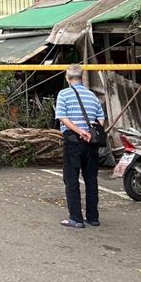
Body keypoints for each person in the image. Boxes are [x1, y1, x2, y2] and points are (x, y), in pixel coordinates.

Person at [54, 64, 106, 229]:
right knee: (91, 179)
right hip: (91, 143)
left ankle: (76, 217)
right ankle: (93, 217)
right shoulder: (92, 96)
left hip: (73, 141)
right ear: (82, 77)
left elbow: (62, 117)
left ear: (67, 78)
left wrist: (80, 131)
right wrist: (90, 132)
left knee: (71, 179)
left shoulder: (64, 94)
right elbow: (101, 118)